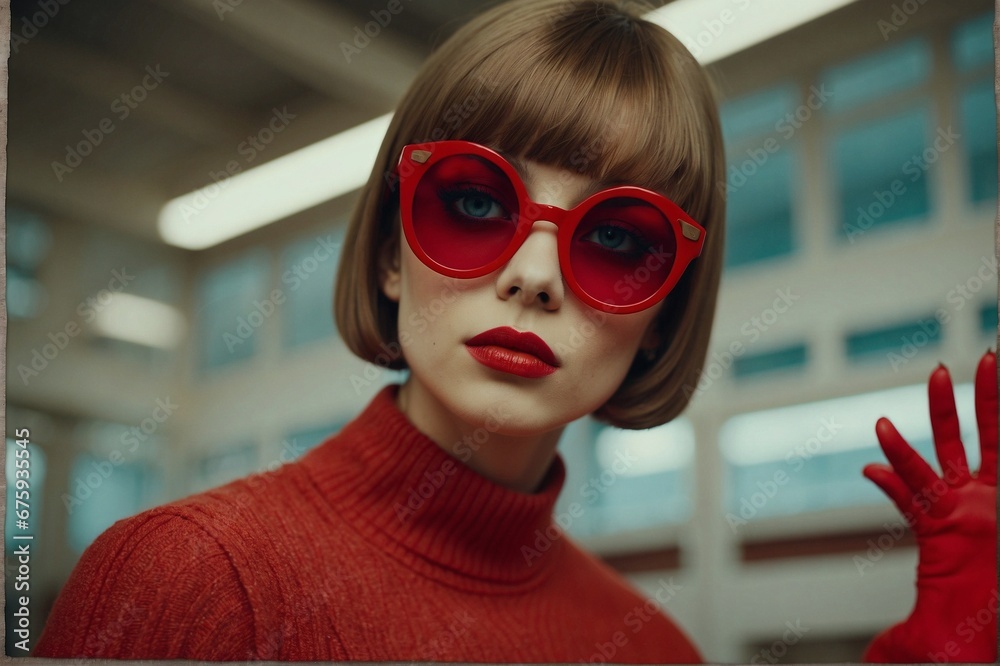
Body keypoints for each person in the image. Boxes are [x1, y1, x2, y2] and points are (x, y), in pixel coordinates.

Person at [35, 0, 997, 662]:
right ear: (387, 252)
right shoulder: (186, 579)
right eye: (472, 202)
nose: (533, 276)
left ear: (663, 315)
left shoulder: (658, 654)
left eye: (618, 238)